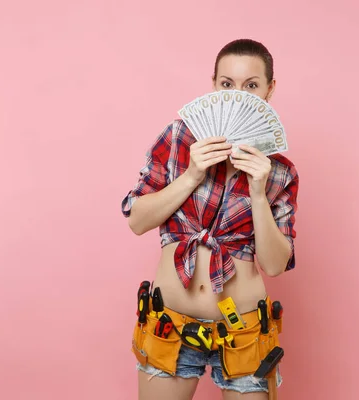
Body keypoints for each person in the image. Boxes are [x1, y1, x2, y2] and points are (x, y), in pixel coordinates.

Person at [121, 38, 299, 400]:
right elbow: (137, 220)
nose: (238, 96)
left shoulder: (279, 171)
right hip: (169, 324)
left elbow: (274, 264)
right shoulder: (176, 140)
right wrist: (191, 175)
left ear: (270, 89)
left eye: (251, 85)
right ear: (213, 84)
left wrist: (258, 191)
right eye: (227, 84)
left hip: (243, 332)